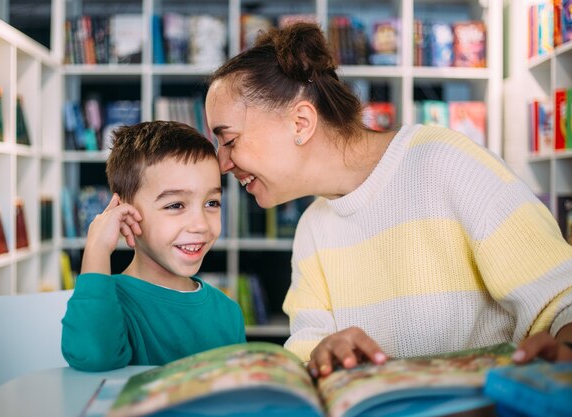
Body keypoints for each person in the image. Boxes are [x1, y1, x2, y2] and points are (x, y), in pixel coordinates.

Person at [204, 22, 572, 377]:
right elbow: (307, 347)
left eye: (230, 140)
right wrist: (322, 354)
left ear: (300, 122)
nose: (221, 163)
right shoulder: (312, 229)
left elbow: (561, 297)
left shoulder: (446, 162)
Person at [61, 121, 246, 372]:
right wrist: (96, 248)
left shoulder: (227, 312)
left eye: (212, 203)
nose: (201, 224)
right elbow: (93, 357)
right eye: (175, 205)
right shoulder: (108, 302)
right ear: (124, 211)